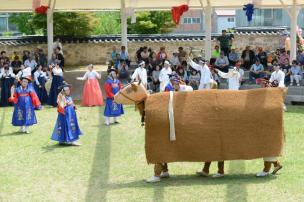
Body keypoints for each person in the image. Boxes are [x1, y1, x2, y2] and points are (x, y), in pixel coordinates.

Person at [146, 73, 193, 183]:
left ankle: (160, 173)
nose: (174, 84)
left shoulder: (184, 88)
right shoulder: (168, 87)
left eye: (175, 82)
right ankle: (165, 170)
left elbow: (189, 91)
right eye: (173, 82)